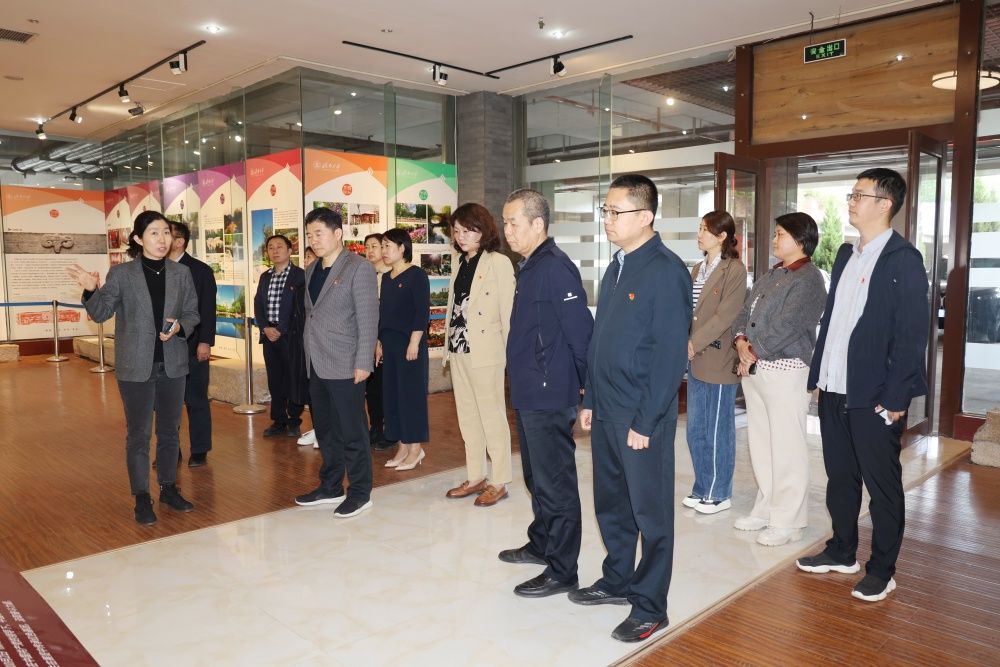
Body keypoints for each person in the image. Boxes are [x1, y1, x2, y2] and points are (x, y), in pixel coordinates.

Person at [797, 168, 928, 603]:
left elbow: (911, 335)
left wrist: (896, 397)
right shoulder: (845, 254)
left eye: (859, 195)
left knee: (882, 485)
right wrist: (820, 376)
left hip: (874, 396)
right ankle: (842, 550)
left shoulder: (904, 259)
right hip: (835, 387)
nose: (850, 201)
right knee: (840, 478)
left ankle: (882, 570)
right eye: (851, 194)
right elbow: (835, 320)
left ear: (885, 204)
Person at [577, 174, 691, 643]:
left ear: (645, 216)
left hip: (641, 414)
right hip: (606, 407)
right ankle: (618, 579)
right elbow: (600, 338)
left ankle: (650, 606)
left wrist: (646, 420)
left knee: (650, 514)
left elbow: (670, 355)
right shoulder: (617, 266)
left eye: (614, 211)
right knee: (611, 505)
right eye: (604, 210)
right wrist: (589, 396)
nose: (607, 219)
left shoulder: (666, 271)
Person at [67, 211, 200, 525]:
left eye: (166, 232)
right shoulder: (122, 274)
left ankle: (168, 488)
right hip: (136, 367)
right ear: (139, 239)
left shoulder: (181, 273)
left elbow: (193, 314)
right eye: (154, 233)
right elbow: (101, 313)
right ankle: (141, 496)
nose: (162, 239)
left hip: (173, 364)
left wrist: (180, 327)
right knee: (139, 435)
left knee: (169, 432)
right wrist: (91, 290)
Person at [499, 189, 593, 598]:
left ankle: (563, 570)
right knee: (536, 477)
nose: (507, 231)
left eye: (513, 223)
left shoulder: (555, 267)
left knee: (555, 484)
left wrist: (589, 390)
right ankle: (541, 544)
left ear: (538, 224)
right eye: (505, 223)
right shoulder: (530, 266)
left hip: (549, 391)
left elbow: (580, 332)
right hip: (529, 390)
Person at [731, 213, 827, 547]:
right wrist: (740, 342)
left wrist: (752, 350)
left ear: (800, 239)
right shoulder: (772, 274)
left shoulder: (809, 279)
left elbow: (790, 324)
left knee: (787, 447)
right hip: (756, 369)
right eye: (774, 234)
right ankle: (766, 509)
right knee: (762, 444)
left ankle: (789, 521)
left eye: (780, 234)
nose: (774, 240)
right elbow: (744, 313)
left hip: (787, 370)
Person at [294, 207, 379, 518]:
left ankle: (360, 492)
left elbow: (368, 320)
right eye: (309, 235)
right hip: (316, 361)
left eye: (319, 233)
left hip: (346, 362)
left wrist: (363, 362)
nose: (313, 240)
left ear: (338, 233)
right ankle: (330, 486)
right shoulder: (311, 270)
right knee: (326, 430)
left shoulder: (359, 268)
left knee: (352, 431)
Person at [442, 203, 515, 507]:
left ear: (483, 231)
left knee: (492, 417)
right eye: (457, 231)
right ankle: (476, 476)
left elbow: (508, 313)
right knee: (468, 417)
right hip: (458, 349)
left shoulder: (498, 263)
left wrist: (512, 358)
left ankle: (499, 480)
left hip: (486, 351)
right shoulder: (459, 262)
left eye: (468, 230)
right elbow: (453, 307)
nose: (461, 236)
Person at [683, 211, 748, 514]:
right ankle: (702, 486)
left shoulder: (734, 270)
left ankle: (719, 493)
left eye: (705, 230)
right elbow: (689, 311)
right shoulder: (698, 268)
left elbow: (725, 316)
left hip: (718, 358)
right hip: (696, 358)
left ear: (722, 236)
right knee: (695, 428)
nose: (700, 234)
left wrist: (694, 342)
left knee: (718, 430)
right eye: (699, 228)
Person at [378, 228, 431, 471]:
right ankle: (401, 445)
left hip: (409, 344)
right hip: (388, 344)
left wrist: (414, 342)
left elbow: (421, 312)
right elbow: (383, 313)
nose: (384, 251)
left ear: (402, 248)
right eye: (382, 246)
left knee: (411, 396)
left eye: (388, 246)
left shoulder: (416, 275)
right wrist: (379, 342)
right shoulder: (386, 278)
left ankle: (415, 448)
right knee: (392, 396)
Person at [168, 220, 217, 468]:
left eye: (166, 234)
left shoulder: (200, 271)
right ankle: (170, 450)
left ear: (179, 241)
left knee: (196, 399)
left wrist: (205, 342)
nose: (160, 239)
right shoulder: (156, 268)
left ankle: (199, 449)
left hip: (192, 344)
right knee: (166, 403)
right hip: (164, 348)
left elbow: (208, 309)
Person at [253, 235, 307, 438]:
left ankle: (294, 419)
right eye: (270, 247)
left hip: (291, 336)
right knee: (275, 380)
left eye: (279, 247)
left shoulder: (300, 276)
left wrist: (281, 329)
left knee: (293, 377)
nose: (275, 251)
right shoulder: (265, 276)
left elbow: (299, 308)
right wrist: (265, 327)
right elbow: (258, 304)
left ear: (290, 250)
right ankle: (278, 420)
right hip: (269, 335)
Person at [363, 232, 394, 450]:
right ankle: (375, 427)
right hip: (367, 341)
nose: (370, 251)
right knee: (372, 389)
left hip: (385, 342)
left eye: (375, 246)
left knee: (386, 388)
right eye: (367, 247)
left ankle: (388, 430)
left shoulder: (391, 276)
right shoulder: (365, 276)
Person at [297, 244, 320, 447]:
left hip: (323, 347)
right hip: (306, 343)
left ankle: (324, 431)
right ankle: (318, 428)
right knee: (312, 391)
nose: (305, 261)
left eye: (309, 256)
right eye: (305, 257)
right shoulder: (304, 280)